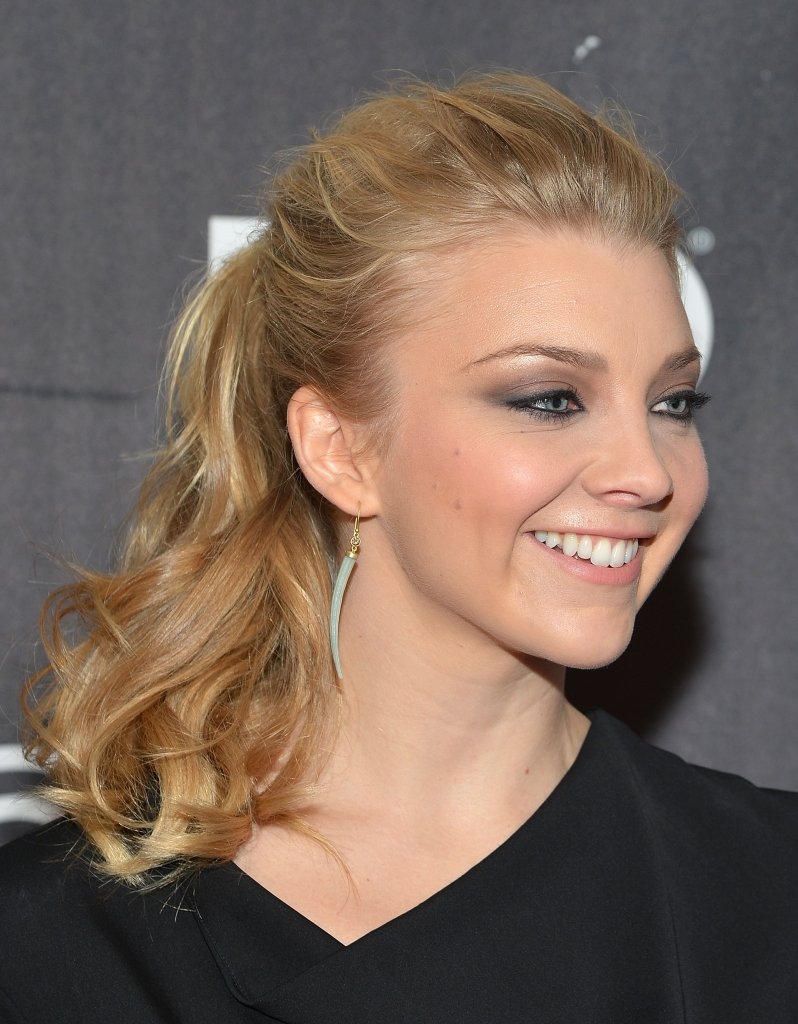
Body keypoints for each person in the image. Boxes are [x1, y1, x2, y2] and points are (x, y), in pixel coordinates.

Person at [1, 71, 796, 1024]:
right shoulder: (50, 945)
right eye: (550, 399)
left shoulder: (766, 897)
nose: (648, 470)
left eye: (672, 403)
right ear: (340, 450)